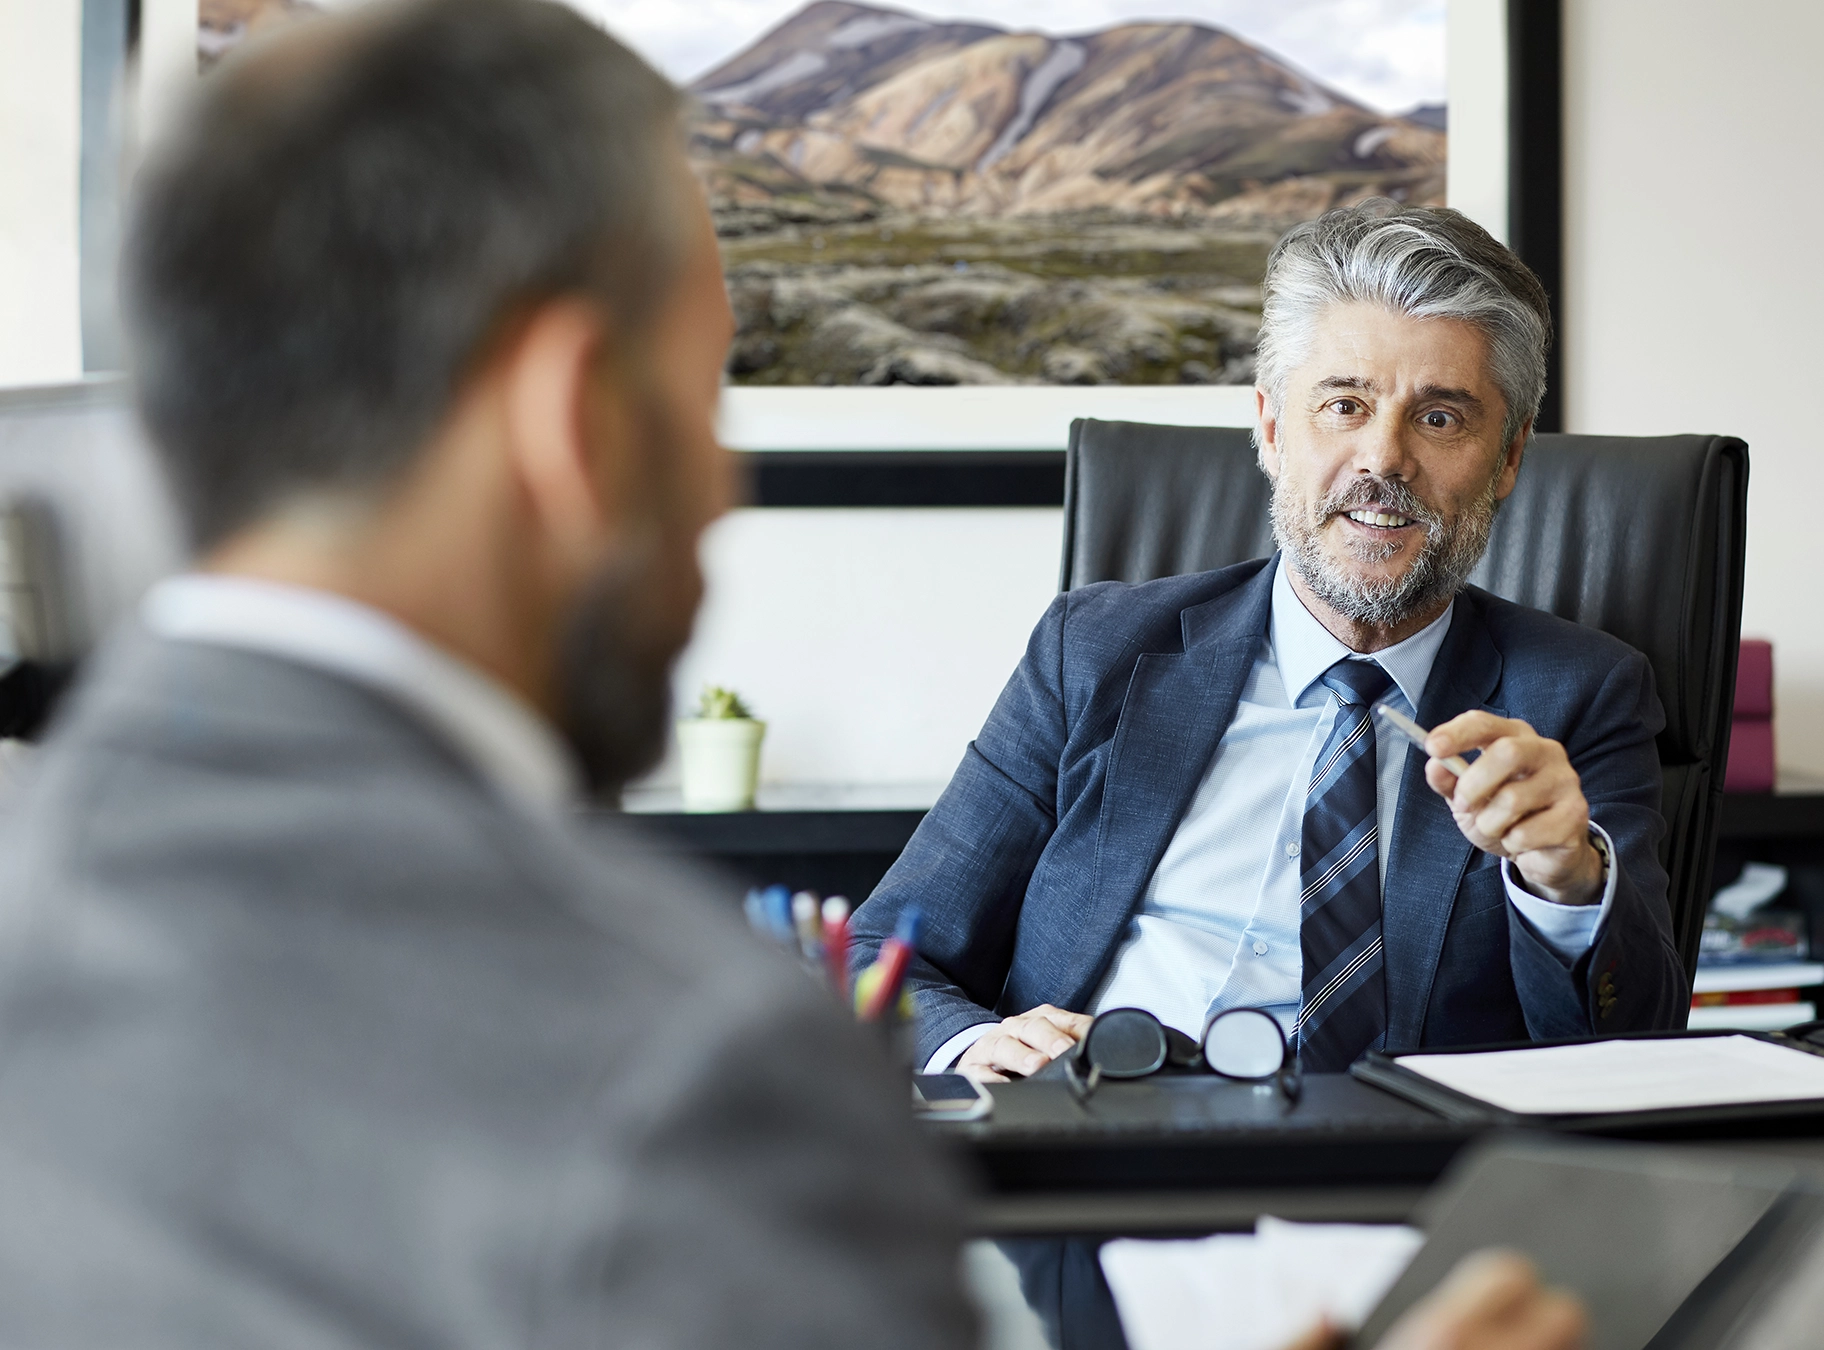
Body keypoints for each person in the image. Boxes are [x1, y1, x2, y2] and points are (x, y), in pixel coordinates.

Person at [0, 3, 1588, 1348]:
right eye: (702, 401)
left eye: (1438, 418)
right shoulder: (695, 1073)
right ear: (570, 421)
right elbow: (901, 946)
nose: (721, 492)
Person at [853, 202, 1687, 1082]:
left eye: (1439, 418)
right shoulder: (1093, 652)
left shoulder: (1579, 696)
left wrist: (1566, 877)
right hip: (1103, 1148)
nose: (1383, 459)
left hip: (1395, 1188)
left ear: (1510, 456)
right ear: (1272, 426)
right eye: (1344, 404)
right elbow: (883, 954)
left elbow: (1632, 1047)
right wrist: (972, 1044)